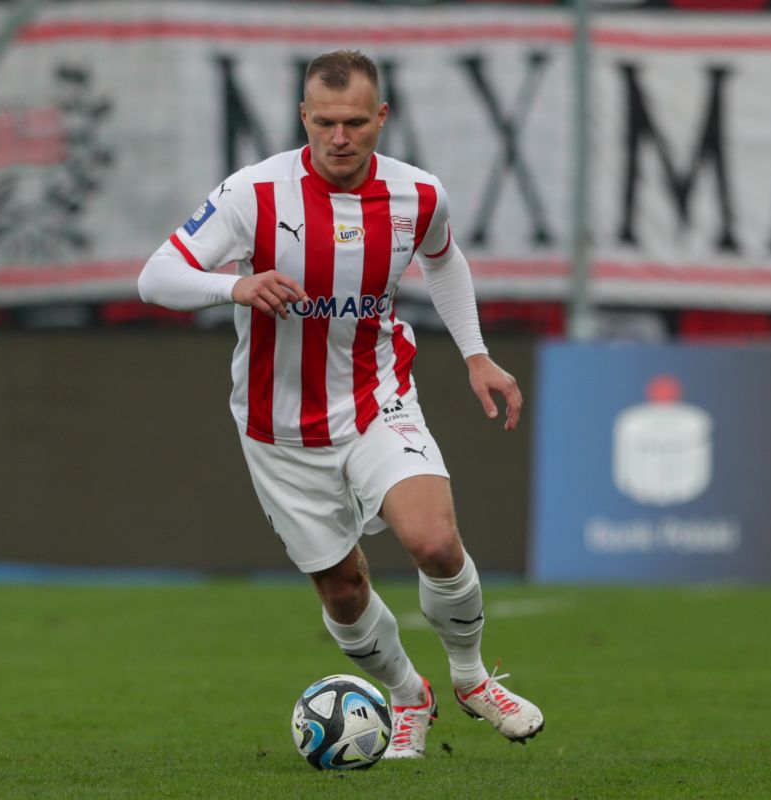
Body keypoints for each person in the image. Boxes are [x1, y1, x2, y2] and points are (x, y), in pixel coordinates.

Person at [137, 49, 543, 759]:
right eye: (324, 122)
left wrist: (475, 353)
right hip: (278, 427)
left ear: (381, 116)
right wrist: (234, 286)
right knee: (345, 592)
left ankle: (473, 679)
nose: (340, 137)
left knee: (434, 541)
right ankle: (409, 696)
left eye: (355, 122)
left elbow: (443, 258)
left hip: (376, 398)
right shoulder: (254, 194)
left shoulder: (418, 195)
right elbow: (155, 276)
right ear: (303, 116)